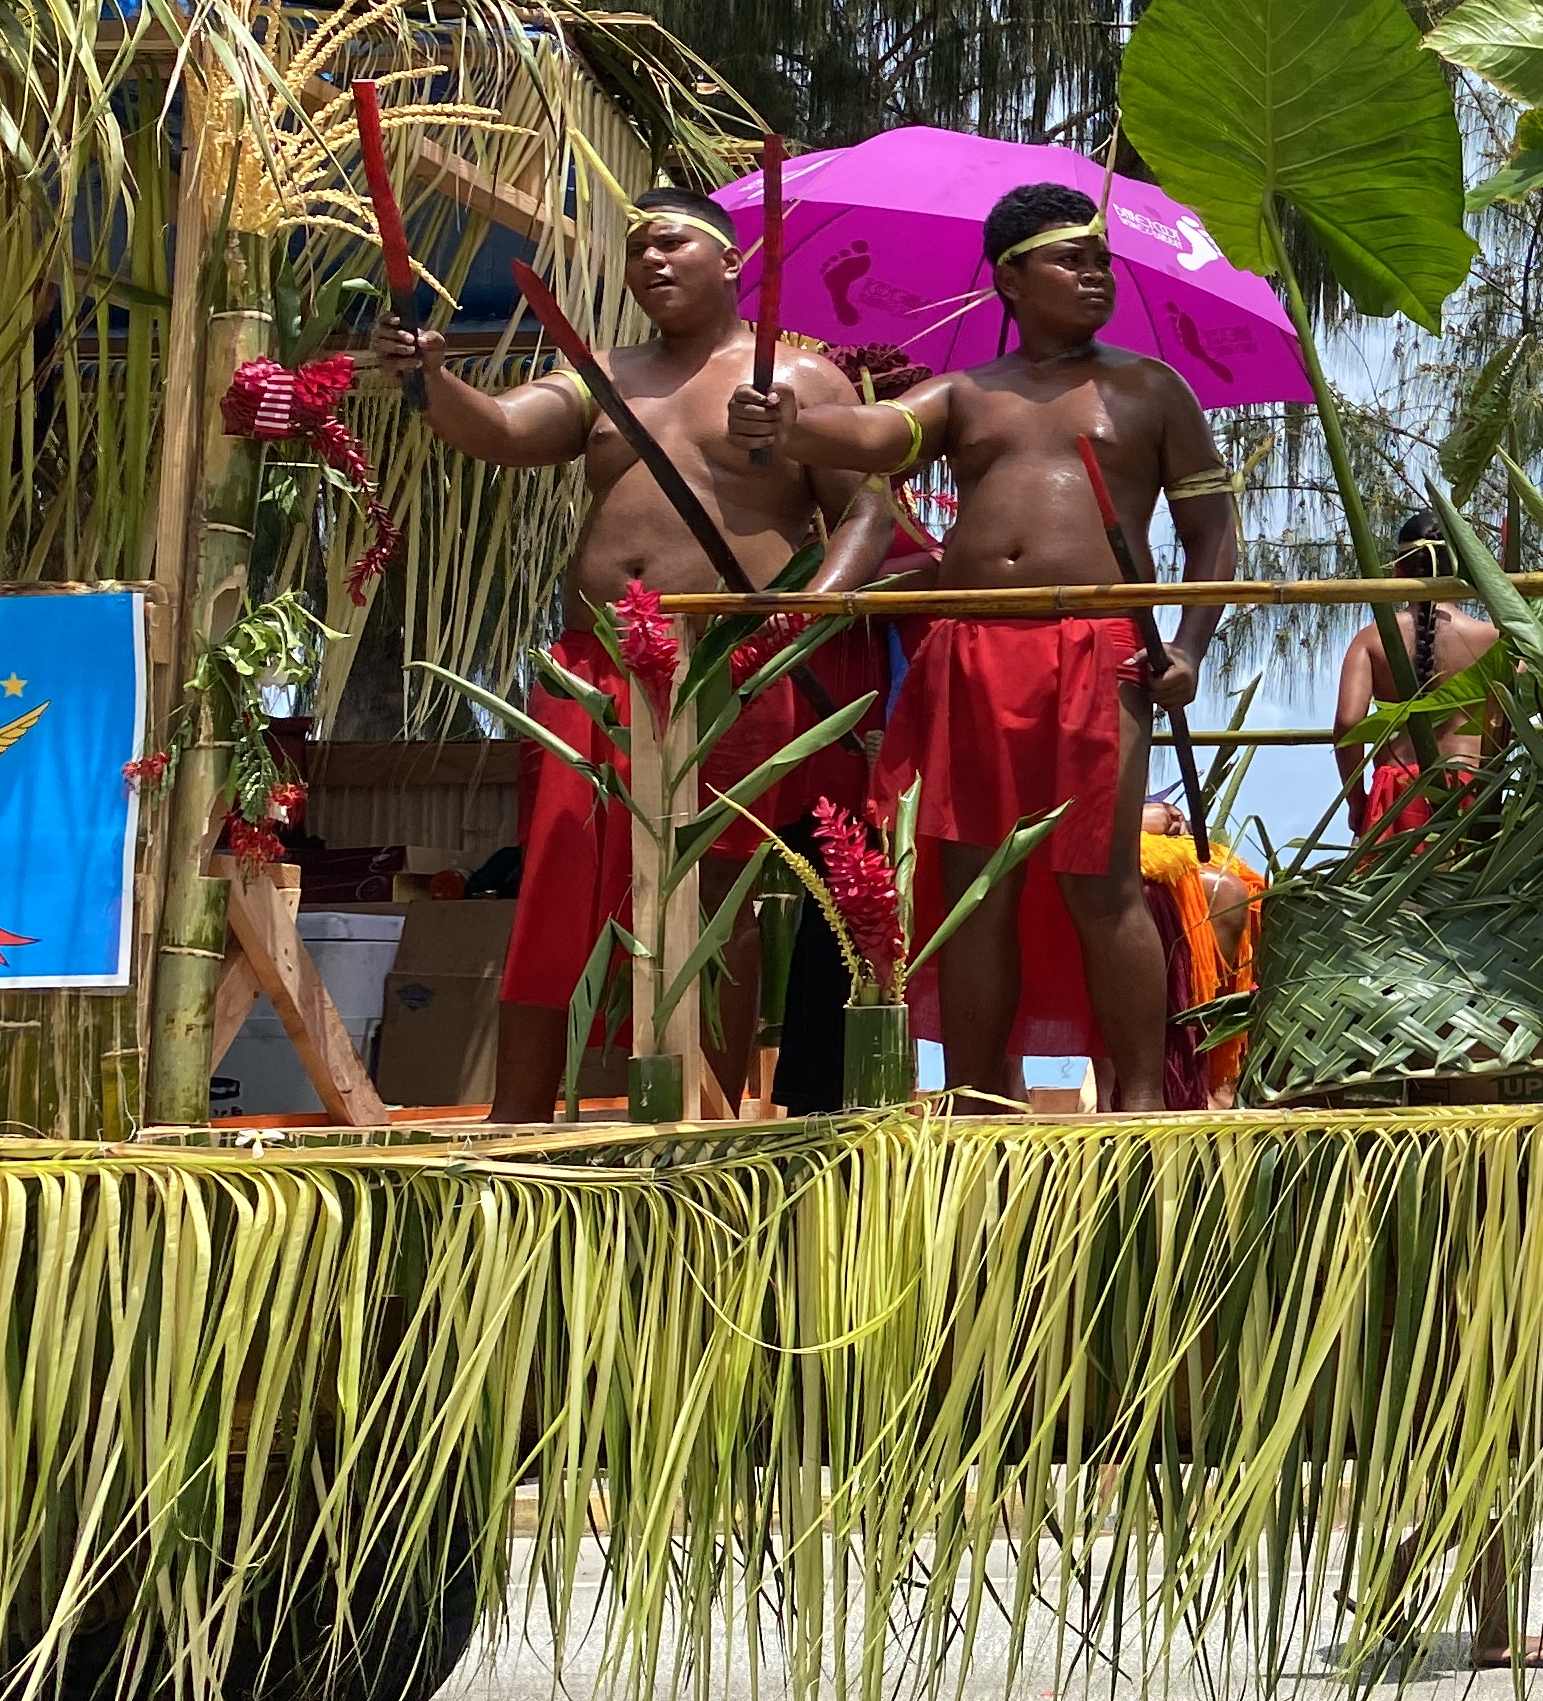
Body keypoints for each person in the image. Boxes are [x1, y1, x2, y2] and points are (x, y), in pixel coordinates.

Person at [384, 186, 893, 1123]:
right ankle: (523, 1109)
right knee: (557, 877)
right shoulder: (600, 375)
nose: (651, 262)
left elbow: (865, 503)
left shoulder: (804, 379)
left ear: (730, 259)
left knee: (713, 888)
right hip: (598, 662)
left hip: (735, 662)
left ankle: (699, 1106)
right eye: (637, 251)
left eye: (672, 245)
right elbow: (497, 430)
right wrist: (431, 382)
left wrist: (817, 604)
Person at [733, 181, 1239, 1112]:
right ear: (1010, 277)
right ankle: (975, 1098)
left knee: (1100, 880)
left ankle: (1138, 1100)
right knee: (974, 887)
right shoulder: (966, 392)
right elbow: (884, 434)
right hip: (970, 651)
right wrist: (796, 424)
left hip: (1098, 651)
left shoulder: (1151, 390)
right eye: (1070, 260)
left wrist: (1192, 649)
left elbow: (1213, 535)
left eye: (1102, 262)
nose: (1095, 277)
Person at [1329, 512, 1500, 841]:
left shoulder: (1372, 639)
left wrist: (1357, 802)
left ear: (1398, 571)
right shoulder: (1493, 639)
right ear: (1459, 571)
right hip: (1476, 796)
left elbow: (1348, 724)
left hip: (1399, 798)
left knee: (1392, 892)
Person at [1139, 798, 1261, 1107]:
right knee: (1223, 892)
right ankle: (1184, 1076)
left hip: (1133, 822)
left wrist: (1160, 811)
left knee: (1252, 891)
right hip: (1097, 828)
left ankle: (1220, 1074)